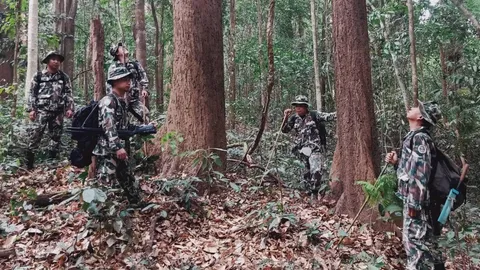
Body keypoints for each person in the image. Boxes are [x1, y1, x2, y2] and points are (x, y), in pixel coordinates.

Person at [385, 101, 444, 270]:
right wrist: (397, 163)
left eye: (417, 108)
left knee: (414, 247)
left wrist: (414, 205)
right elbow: (410, 171)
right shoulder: (414, 136)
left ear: (420, 117)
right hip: (414, 201)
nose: (412, 107)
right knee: (422, 244)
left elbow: (420, 175)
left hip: (416, 203)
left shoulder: (420, 138)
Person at [93, 66, 141, 204]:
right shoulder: (109, 101)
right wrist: (117, 147)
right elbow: (109, 126)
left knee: (127, 178)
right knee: (105, 182)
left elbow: (122, 125)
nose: (128, 82)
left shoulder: (121, 101)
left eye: (129, 79)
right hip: (108, 150)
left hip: (119, 149)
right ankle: (100, 213)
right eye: (124, 79)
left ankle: (136, 203)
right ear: (114, 82)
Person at [25, 51, 75, 169]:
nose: (56, 62)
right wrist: (32, 109)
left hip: (58, 112)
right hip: (41, 112)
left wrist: (70, 108)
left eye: (58, 60)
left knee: (55, 139)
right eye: (53, 59)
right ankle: (29, 166)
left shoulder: (63, 77)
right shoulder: (38, 76)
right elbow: (32, 93)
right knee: (35, 137)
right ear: (47, 61)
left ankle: (51, 165)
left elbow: (69, 93)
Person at [281, 95, 336, 195]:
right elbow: (285, 130)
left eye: (301, 106)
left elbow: (328, 116)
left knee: (316, 171)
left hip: (315, 149)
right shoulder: (294, 118)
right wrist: (286, 117)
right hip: (301, 150)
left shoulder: (314, 115)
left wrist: (341, 112)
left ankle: (315, 193)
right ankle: (308, 195)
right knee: (306, 173)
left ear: (306, 107)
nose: (298, 108)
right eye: (296, 106)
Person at [107, 42, 150, 124]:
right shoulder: (113, 67)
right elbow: (110, 85)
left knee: (144, 114)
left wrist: (145, 89)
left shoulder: (134, 64)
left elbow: (142, 76)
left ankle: (143, 134)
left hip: (133, 100)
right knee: (121, 121)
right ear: (117, 53)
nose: (123, 47)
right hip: (119, 101)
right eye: (120, 47)